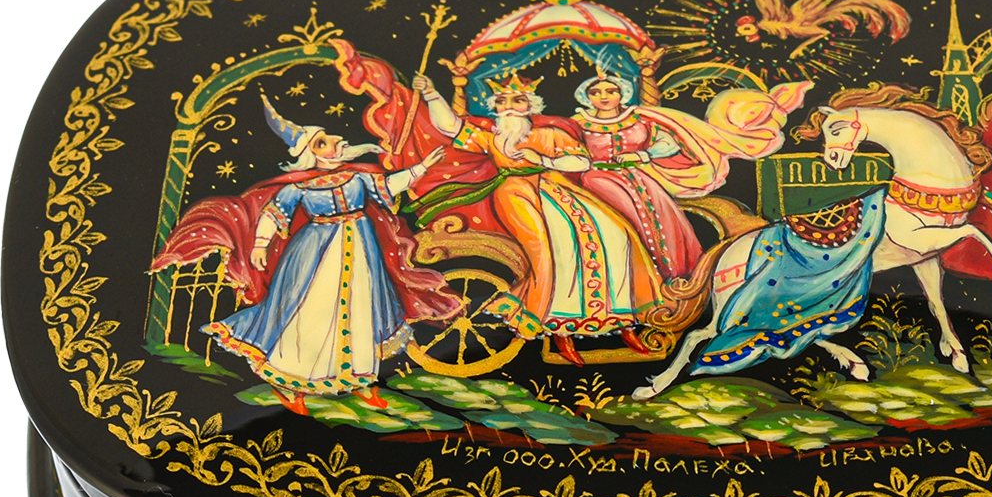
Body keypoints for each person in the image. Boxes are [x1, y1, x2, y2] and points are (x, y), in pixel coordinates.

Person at [153, 94, 460, 412]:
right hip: (315, 254)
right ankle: (293, 385)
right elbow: (273, 215)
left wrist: (422, 167)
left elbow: (391, 185)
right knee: (310, 313)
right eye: (322, 142)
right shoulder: (298, 188)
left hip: (361, 249)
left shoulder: (357, 178)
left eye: (330, 139)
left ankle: (360, 380)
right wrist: (260, 245)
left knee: (360, 308)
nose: (335, 142)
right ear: (310, 154)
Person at [411, 67, 663, 364]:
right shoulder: (493, 138)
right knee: (555, 249)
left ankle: (623, 319)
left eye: (517, 101)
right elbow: (451, 127)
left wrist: (542, 159)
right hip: (516, 194)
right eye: (502, 102)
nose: (509, 108)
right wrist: (431, 93)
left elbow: (581, 162)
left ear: (530, 106)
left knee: (616, 235)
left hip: (556, 187)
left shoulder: (549, 135)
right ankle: (559, 328)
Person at [572, 68, 705, 282]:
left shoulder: (640, 119)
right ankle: (637, 276)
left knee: (664, 220)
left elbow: (669, 143)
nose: (603, 97)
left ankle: (674, 274)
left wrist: (643, 155)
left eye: (611, 91)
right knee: (625, 218)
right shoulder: (578, 123)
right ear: (586, 97)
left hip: (640, 179)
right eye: (595, 93)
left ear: (622, 93)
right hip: (596, 180)